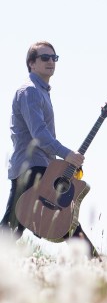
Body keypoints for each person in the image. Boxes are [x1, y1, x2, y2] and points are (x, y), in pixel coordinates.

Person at [1, 41, 98, 256]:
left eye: (54, 58)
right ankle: (99, 266)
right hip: (30, 168)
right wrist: (68, 155)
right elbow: (40, 135)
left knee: (50, 223)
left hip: (40, 167)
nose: (50, 62)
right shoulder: (30, 92)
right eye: (44, 58)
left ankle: (99, 266)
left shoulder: (42, 91)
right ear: (31, 63)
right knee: (15, 227)